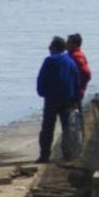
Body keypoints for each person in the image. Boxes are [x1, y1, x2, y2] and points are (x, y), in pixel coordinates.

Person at [36, 36, 82, 164]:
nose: (49, 49)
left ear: (54, 48)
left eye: (50, 47)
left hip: (52, 98)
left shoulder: (49, 61)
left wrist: (42, 92)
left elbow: (41, 78)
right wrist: (76, 99)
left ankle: (44, 155)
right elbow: (76, 80)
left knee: (47, 127)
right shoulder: (70, 61)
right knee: (67, 127)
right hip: (68, 98)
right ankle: (68, 154)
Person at [66, 33, 92, 156]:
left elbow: (86, 74)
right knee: (74, 119)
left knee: (74, 120)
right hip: (74, 92)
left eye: (69, 42)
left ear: (74, 44)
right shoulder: (72, 56)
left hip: (75, 93)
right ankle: (76, 146)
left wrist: (79, 88)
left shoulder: (76, 56)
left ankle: (77, 147)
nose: (66, 44)